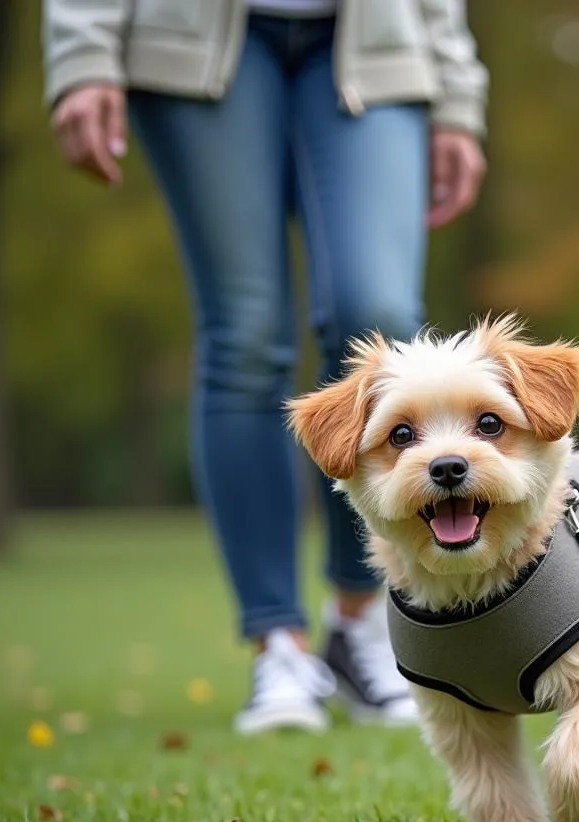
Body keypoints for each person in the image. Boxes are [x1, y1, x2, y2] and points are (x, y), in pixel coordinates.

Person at [42, 0, 487, 733]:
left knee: (375, 317)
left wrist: (459, 97)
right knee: (245, 334)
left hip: (375, 38)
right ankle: (277, 644)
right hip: (190, 36)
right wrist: (83, 53)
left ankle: (360, 617)